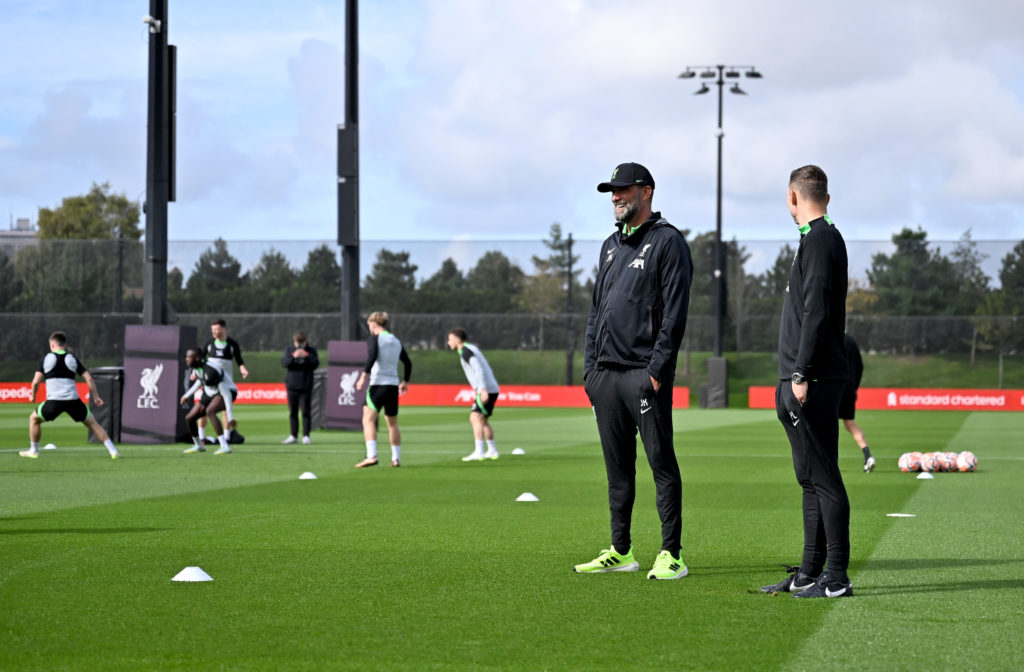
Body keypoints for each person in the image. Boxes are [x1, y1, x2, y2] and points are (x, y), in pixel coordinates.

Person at [575, 162, 693, 581]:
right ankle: (621, 550)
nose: (615, 197)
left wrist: (657, 370)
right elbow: (596, 313)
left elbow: (675, 313)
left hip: (644, 375)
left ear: (646, 192)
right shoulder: (609, 245)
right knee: (617, 468)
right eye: (612, 191)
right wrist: (590, 372)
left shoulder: (668, 242)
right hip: (605, 378)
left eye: (623, 190)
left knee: (661, 463)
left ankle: (671, 553)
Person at [762, 165, 853, 599]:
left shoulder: (819, 239)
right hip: (801, 377)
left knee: (826, 480)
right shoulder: (815, 238)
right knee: (810, 479)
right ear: (826, 198)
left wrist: (800, 373)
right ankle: (808, 574)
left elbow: (816, 311)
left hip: (811, 379)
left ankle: (836, 579)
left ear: (791, 198)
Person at [20, 331, 121, 460]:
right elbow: (89, 378)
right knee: (93, 423)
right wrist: (96, 397)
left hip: (54, 401)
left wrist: (33, 396)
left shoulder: (46, 359)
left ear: (52, 345)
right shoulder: (72, 359)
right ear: (65, 345)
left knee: (34, 419)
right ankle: (113, 451)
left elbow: (35, 382)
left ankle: (34, 450)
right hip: (73, 401)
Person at [354, 312, 412, 468]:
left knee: (368, 419)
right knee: (392, 424)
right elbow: (408, 363)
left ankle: (371, 456)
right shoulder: (396, 341)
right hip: (393, 386)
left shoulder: (375, 338)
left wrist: (362, 377)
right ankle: (396, 459)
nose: (370, 329)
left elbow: (372, 356)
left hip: (378, 384)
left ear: (373, 324)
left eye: (369, 326)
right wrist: (405, 381)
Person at [446, 328, 499, 462]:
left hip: (486, 389)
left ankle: (479, 452)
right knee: (483, 420)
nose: (448, 342)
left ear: (457, 340)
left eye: (450, 339)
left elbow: (478, 369)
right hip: (491, 388)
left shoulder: (465, 351)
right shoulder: (470, 348)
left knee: (475, 418)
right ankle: (492, 450)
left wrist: (482, 390)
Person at [198, 318, 247, 443]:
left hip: (226, 383)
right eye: (212, 330)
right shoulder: (209, 343)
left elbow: (239, 360)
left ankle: (226, 438)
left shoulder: (232, 344)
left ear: (224, 329)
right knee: (203, 410)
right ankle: (202, 438)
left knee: (225, 410)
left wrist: (243, 369)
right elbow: (200, 359)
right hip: (210, 384)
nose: (214, 332)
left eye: (216, 329)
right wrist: (197, 373)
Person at [180, 348, 233, 455]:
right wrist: (187, 395)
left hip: (228, 391)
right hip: (209, 393)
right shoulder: (196, 367)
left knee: (210, 411)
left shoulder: (211, 370)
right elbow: (200, 380)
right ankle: (199, 446)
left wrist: (230, 416)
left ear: (198, 358)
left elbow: (226, 393)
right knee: (189, 418)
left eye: (189, 357)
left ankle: (224, 446)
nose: (186, 359)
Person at [840, 333, 875, 473]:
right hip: (849, 388)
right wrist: (854, 387)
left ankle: (828, 463)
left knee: (826, 424)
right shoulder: (851, 340)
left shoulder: (829, 337)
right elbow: (860, 366)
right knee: (850, 423)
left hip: (833, 387)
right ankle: (868, 456)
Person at [281, 331, 320, 445]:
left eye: (302, 343)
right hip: (292, 386)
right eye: (298, 343)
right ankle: (293, 435)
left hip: (306, 386)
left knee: (306, 412)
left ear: (306, 342)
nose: (299, 345)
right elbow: (284, 363)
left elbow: (315, 364)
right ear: (294, 342)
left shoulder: (311, 351)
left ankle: (306, 436)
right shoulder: (289, 350)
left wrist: (306, 356)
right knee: (293, 412)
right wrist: (294, 356)